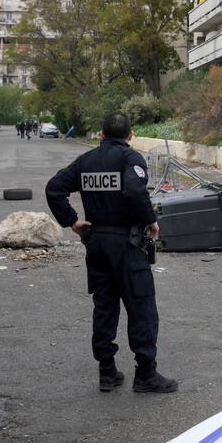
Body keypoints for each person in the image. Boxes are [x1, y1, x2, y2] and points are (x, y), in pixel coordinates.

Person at [45, 112, 177, 394]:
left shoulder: (86, 161)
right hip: (126, 245)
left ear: (101, 135)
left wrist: (72, 221)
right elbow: (133, 189)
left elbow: (55, 188)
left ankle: (107, 371)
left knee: (105, 307)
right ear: (130, 136)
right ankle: (145, 374)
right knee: (141, 307)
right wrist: (149, 220)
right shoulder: (131, 159)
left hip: (96, 242)